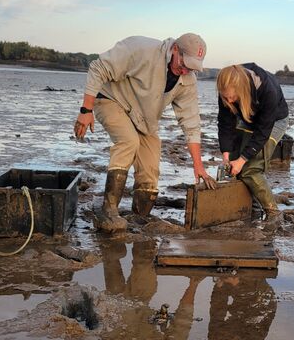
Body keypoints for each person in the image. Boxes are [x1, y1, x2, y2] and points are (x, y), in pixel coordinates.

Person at [74, 34, 216, 233]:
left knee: (150, 164)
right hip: (110, 100)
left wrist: (199, 166)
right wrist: (85, 111)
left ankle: (140, 216)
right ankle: (108, 211)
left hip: (143, 118)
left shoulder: (187, 79)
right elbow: (98, 68)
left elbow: (191, 122)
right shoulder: (141, 49)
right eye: (184, 63)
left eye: (192, 68)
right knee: (128, 141)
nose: (185, 70)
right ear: (175, 49)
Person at [216, 64, 289, 226]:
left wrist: (242, 160)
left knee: (250, 168)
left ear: (241, 89)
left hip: (273, 121)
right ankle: (252, 210)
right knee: (234, 165)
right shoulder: (226, 88)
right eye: (225, 97)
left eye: (232, 98)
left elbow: (263, 132)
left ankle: (273, 212)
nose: (229, 101)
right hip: (248, 116)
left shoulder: (267, 90)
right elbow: (225, 123)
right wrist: (226, 156)